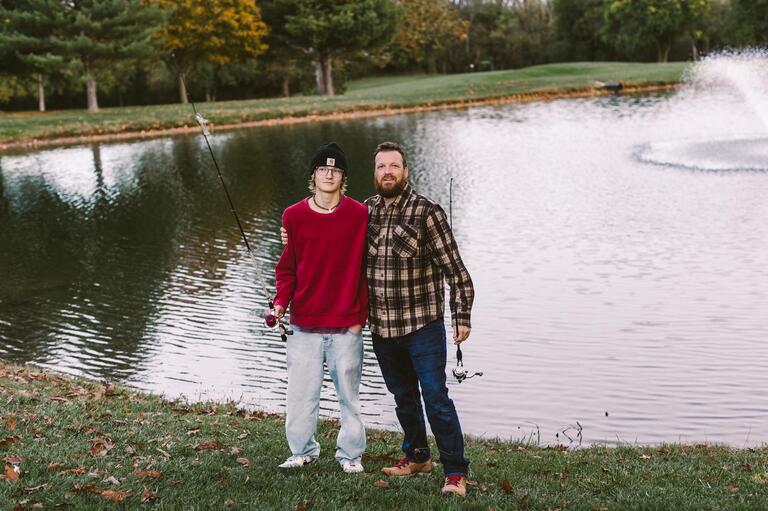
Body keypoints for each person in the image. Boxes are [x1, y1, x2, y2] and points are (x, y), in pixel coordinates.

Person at [365, 141, 474, 497]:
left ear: (405, 171)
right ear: (375, 172)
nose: (388, 172)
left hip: (422, 326)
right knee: (403, 396)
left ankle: (455, 472)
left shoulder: (427, 212)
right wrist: (290, 234)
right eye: (381, 167)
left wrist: (461, 316)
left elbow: (457, 274)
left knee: (435, 397)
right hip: (382, 327)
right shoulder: (366, 212)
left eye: (394, 166)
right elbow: (331, 237)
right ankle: (417, 457)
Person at [273, 142, 369, 474]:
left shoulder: (360, 214)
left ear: (343, 177)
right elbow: (287, 270)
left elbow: (366, 269)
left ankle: (350, 455)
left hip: (347, 325)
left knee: (349, 397)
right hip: (304, 325)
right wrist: (280, 304)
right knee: (301, 394)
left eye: (336, 170)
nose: (329, 174)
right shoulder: (293, 216)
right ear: (313, 175)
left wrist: (360, 319)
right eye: (323, 169)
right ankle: (302, 451)